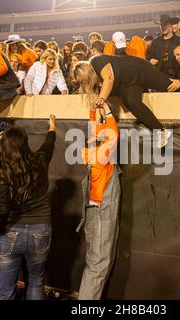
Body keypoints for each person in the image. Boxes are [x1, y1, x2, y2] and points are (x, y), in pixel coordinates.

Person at [0, 115, 57, 300]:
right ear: (25, 144)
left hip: (9, 233)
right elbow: (49, 144)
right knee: (36, 282)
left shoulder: (2, 170)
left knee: (4, 289)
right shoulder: (39, 161)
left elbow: (1, 209)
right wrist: (52, 127)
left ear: (4, 146)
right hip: (40, 231)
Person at [74, 55, 180, 147]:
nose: (84, 84)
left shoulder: (96, 61)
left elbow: (109, 78)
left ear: (87, 72)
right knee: (131, 102)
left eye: (84, 80)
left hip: (140, 69)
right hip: (129, 85)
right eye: (82, 82)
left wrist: (101, 98)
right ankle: (161, 131)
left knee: (170, 86)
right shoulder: (95, 86)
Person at [76, 102, 120, 300]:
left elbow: (94, 130)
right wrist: (108, 110)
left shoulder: (91, 151)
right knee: (97, 267)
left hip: (94, 213)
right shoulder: (102, 156)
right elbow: (113, 135)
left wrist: (94, 112)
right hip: (102, 213)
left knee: (97, 263)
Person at [147, 14, 180, 79]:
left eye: (165, 24)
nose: (163, 27)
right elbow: (148, 56)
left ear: (171, 25)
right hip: (159, 78)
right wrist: (150, 60)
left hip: (177, 77)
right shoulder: (155, 42)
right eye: (161, 25)